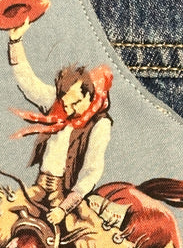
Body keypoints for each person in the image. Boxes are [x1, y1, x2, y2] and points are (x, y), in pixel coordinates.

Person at [7, 16, 113, 226]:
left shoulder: (100, 124)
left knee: (77, 231)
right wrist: (15, 42)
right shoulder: (58, 103)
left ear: (89, 94)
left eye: (76, 104)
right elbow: (29, 83)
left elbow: (92, 171)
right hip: (40, 185)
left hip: (65, 193)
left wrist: (64, 208)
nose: (69, 110)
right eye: (65, 104)